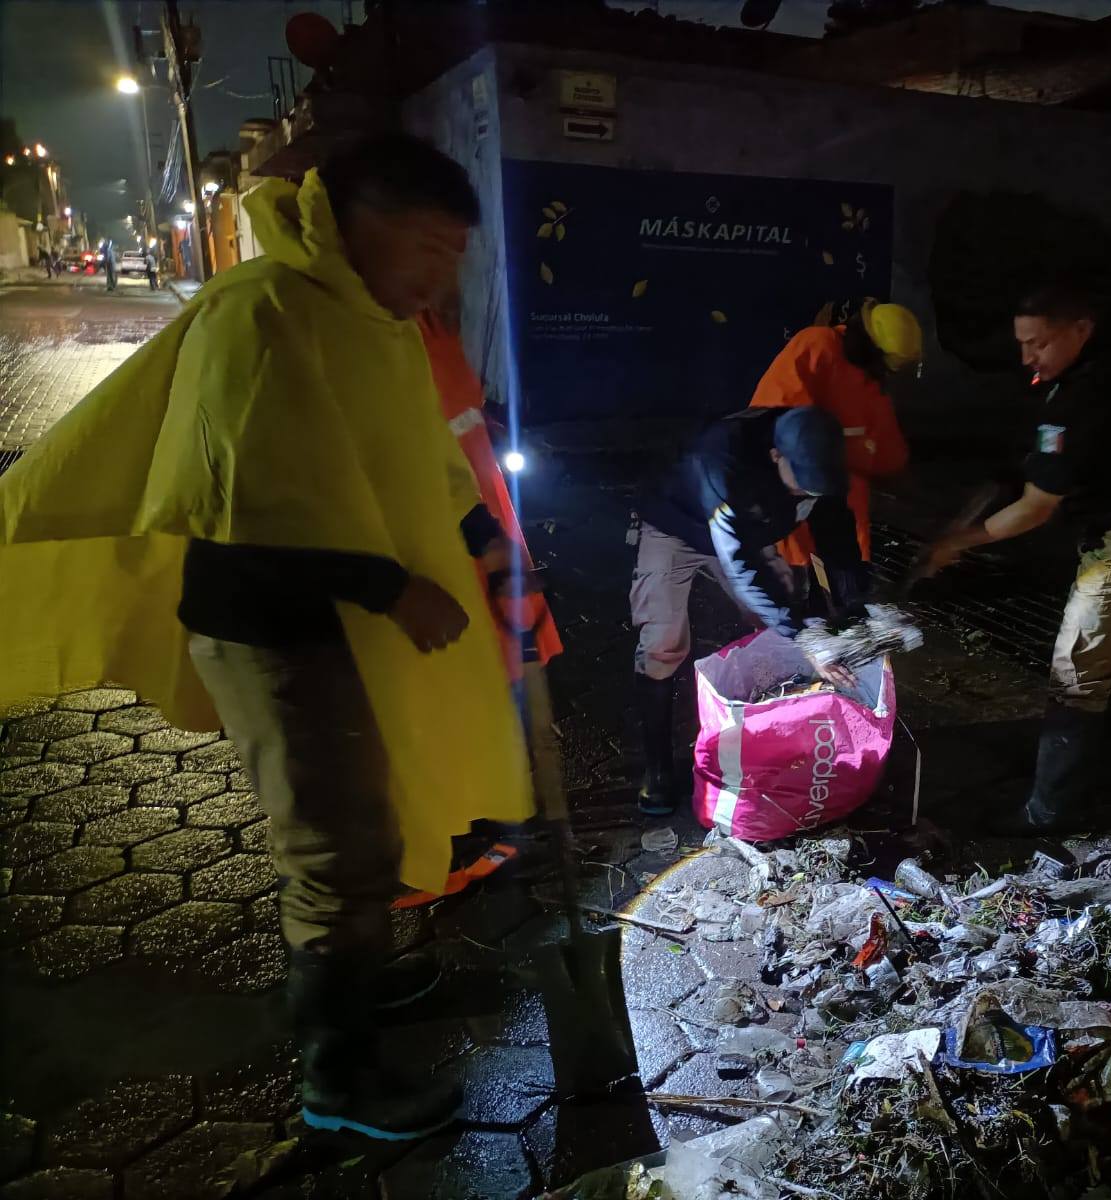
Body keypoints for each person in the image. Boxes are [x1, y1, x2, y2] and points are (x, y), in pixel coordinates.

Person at [0, 132, 532, 1140]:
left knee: (377, 816)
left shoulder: (375, 322)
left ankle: (359, 982)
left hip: (353, 619)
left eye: (454, 256)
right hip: (274, 627)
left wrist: (486, 544)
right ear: (357, 221)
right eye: (426, 246)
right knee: (332, 846)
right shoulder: (260, 312)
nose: (438, 277)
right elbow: (240, 505)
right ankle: (339, 1079)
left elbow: (411, 459)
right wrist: (389, 585)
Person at [927, 277, 1111, 833]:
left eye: (1039, 343)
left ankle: (1049, 811)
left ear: (1081, 329)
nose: (1028, 357)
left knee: (1077, 672)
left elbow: (1036, 508)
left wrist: (959, 542)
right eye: (1022, 344)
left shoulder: (1086, 394)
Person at [631, 406, 868, 816]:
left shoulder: (816, 458)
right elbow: (741, 564)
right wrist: (806, 636)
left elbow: (837, 537)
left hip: (750, 531)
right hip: (677, 528)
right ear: (776, 456)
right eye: (801, 487)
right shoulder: (722, 460)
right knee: (662, 642)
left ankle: (776, 742)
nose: (806, 496)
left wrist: (854, 608)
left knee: (776, 628)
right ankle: (657, 766)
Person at [416, 302, 566, 813]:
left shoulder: (434, 326)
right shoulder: (384, 332)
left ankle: (506, 792)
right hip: (446, 522)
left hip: (483, 503)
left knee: (504, 651)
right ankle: (473, 804)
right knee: (465, 656)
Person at [747, 300, 920, 573]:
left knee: (846, 564)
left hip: (838, 493)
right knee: (792, 562)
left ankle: (842, 588)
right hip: (790, 477)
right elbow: (779, 417)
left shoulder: (871, 387)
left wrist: (906, 485)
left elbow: (888, 454)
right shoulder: (817, 345)